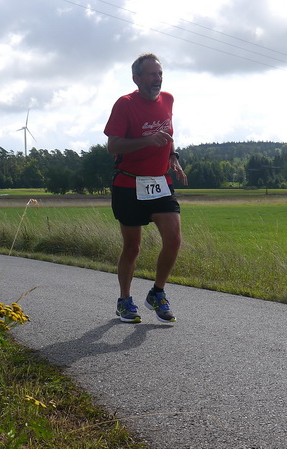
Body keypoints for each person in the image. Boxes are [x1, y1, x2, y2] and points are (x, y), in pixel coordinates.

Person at [104, 53, 188, 324]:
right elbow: (113, 146)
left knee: (174, 239)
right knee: (132, 247)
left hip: (160, 182)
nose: (158, 79)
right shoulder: (125, 104)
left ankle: (157, 293)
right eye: (152, 74)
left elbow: (168, 133)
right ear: (136, 79)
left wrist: (173, 156)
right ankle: (124, 300)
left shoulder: (168, 100)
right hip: (129, 184)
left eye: (160, 73)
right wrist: (147, 140)